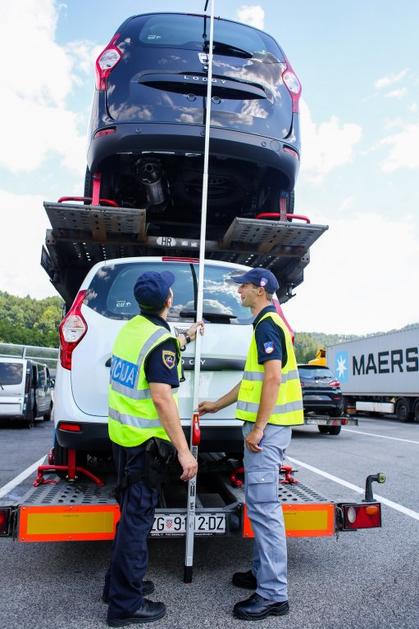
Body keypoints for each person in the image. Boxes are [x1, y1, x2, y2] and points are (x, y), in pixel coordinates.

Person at [198, 268, 303, 621]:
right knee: (260, 508)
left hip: (267, 433)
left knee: (265, 511)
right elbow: (251, 383)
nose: (238, 291)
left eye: (242, 286)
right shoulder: (264, 325)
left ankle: (273, 594)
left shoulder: (268, 326)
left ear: (261, 289)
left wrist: (257, 429)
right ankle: (261, 573)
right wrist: (215, 404)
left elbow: (273, 378)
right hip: (269, 431)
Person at [104, 270, 203, 627]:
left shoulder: (131, 330)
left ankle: (116, 586)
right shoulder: (159, 341)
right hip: (145, 445)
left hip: (122, 438)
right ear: (169, 301)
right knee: (136, 522)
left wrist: (186, 337)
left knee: (128, 516)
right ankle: (125, 605)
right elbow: (162, 398)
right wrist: (184, 450)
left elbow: (158, 350)